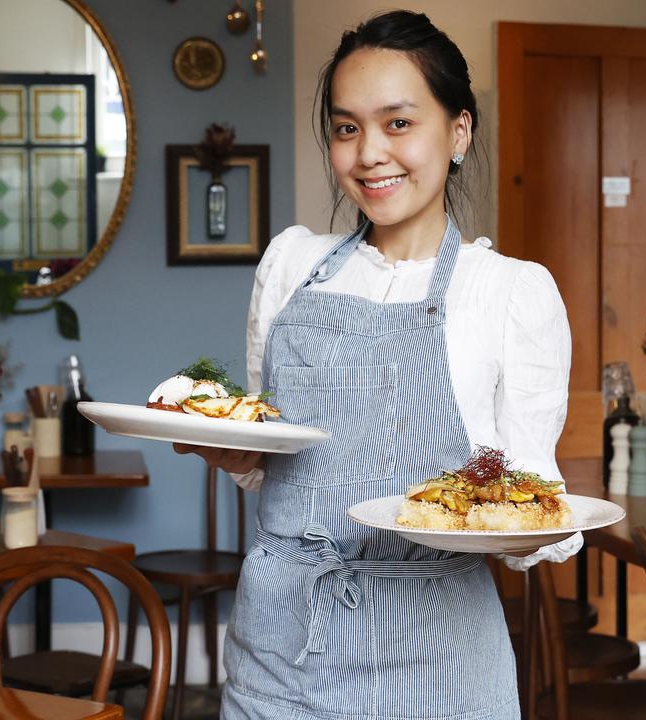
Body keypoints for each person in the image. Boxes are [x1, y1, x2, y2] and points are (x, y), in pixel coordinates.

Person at [176, 10, 580, 718]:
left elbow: (534, 495)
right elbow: (267, 452)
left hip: (438, 650)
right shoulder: (290, 265)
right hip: (281, 647)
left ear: (459, 132)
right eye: (346, 127)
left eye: (398, 123)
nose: (369, 154)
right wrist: (225, 447)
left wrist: (507, 519)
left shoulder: (512, 293)